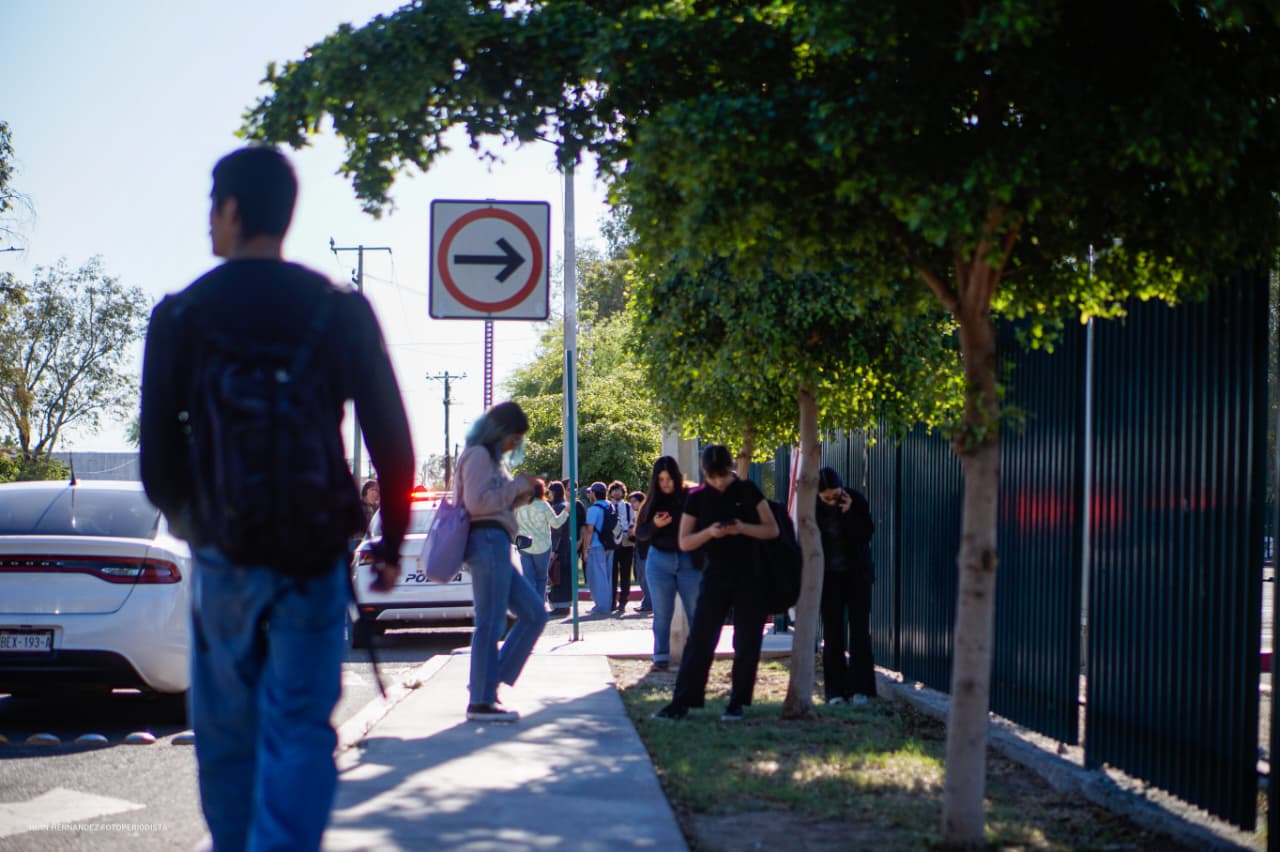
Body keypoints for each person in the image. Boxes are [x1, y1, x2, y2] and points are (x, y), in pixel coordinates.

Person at [139, 145, 414, 851]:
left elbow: (158, 464)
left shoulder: (181, 314)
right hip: (314, 555)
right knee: (299, 727)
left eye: (211, 208)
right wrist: (387, 542)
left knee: (226, 732)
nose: (209, 222)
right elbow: (392, 440)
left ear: (231, 210)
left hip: (224, 553)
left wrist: (201, 527)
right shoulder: (339, 310)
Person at [653, 445, 778, 721]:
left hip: (750, 574)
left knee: (746, 640)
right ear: (705, 473)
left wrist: (742, 528)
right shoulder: (698, 497)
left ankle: (737, 702)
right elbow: (685, 542)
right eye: (712, 477)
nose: (718, 482)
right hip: (715, 576)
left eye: (722, 476)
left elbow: (772, 529)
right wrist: (710, 532)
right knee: (700, 637)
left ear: (730, 469)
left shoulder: (747, 490)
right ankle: (682, 701)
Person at [456, 401, 548, 722]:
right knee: (491, 621)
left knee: (535, 614)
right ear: (500, 431)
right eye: (514, 438)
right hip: (487, 541)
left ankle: (486, 683)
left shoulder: (489, 458)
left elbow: (495, 502)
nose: (514, 445)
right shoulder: (479, 455)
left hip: (495, 542)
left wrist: (523, 494)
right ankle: (482, 700)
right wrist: (518, 485)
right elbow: (478, 504)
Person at [816, 466, 877, 705]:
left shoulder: (855, 499)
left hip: (857, 576)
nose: (832, 501)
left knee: (860, 631)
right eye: (827, 497)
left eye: (835, 495)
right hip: (829, 578)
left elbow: (866, 533)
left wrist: (849, 512)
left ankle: (861, 688)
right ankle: (835, 691)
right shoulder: (813, 507)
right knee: (832, 633)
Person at [633, 456, 700, 671]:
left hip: (688, 559)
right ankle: (661, 657)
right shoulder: (652, 500)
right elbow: (640, 533)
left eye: (669, 479)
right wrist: (655, 525)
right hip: (660, 560)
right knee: (662, 613)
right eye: (661, 480)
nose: (665, 484)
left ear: (677, 477)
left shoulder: (691, 495)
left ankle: (698, 657)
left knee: (695, 611)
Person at [515, 477, 568, 608]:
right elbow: (556, 523)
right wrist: (566, 512)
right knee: (541, 578)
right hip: (542, 545)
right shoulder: (543, 505)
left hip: (524, 544)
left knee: (528, 577)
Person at [580, 481, 615, 615]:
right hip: (610, 544)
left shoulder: (593, 509)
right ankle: (608, 604)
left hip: (596, 545)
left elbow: (589, 530)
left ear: (594, 494)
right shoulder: (610, 506)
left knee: (598, 577)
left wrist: (585, 550)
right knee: (607, 576)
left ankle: (601, 606)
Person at [546, 480, 577, 615]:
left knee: (557, 576)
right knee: (564, 576)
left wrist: (553, 550)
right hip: (567, 544)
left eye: (550, 492)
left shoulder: (557, 507)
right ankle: (565, 605)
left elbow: (556, 531)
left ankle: (559, 606)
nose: (549, 495)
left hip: (560, 546)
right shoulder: (566, 506)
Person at [608, 480, 636, 614]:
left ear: (623, 492)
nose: (616, 493)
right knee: (612, 573)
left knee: (625, 573)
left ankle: (623, 601)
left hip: (626, 541)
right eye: (614, 490)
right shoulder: (608, 507)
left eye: (618, 490)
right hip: (612, 541)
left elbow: (633, 521)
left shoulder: (628, 507)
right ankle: (612, 601)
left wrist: (630, 530)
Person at [629, 490, 653, 613]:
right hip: (639, 549)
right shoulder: (637, 516)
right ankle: (647, 602)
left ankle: (648, 604)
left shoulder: (646, 515)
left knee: (645, 578)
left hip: (646, 550)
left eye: (634, 501)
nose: (632, 504)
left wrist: (635, 532)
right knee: (641, 577)